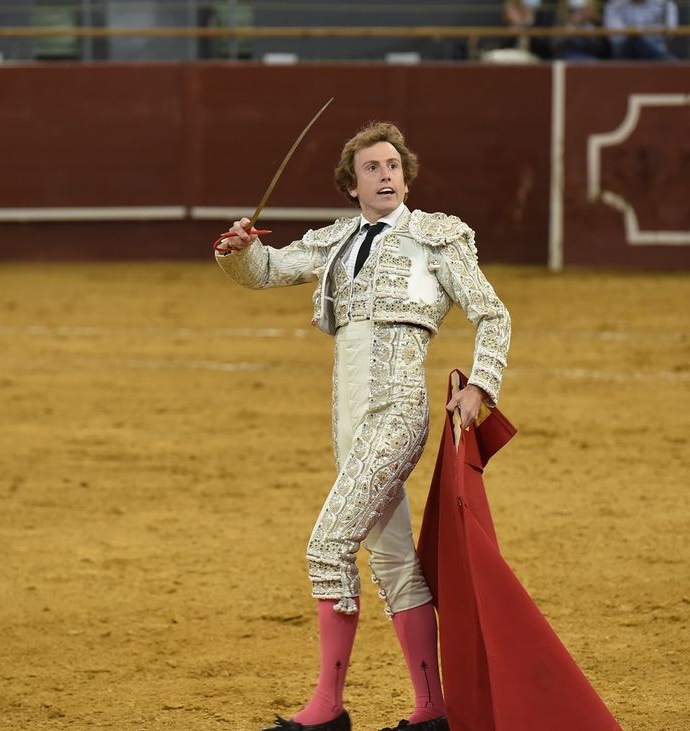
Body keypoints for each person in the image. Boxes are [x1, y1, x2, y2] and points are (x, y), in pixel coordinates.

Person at [214, 121, 511, 731]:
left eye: (394, 167)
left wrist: (481, 385)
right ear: (352, 185)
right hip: (346, 417)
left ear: (406, 176)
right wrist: (238, 251)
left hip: (397, 411)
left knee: (328, 548)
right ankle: (432, 711)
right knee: (393, 561)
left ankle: (327, 710)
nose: (386, 176)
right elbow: (266, 270)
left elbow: (493, 313)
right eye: (372, 169)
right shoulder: (336, 241)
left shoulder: (438, 237)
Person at [604, 0, 680, 60]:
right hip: (623, 53)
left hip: (656, 52)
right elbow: (615, 37)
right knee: (633, 40)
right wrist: (640, 33)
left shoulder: (664, 4)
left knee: (636, 39)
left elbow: (670, 34)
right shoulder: (614, 5)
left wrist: (634, 32)